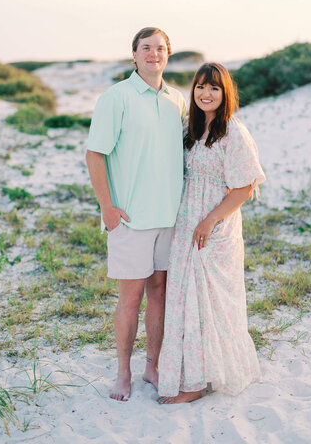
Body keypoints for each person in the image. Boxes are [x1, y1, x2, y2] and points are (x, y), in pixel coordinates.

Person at [86, 27, 186, 402]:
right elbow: (95, 154)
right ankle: (123, 373)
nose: (153, 54)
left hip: (169, 217)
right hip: (129, 219)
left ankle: (153, 366)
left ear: (168, 55)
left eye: (160, 48)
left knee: (159, 294)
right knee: (130, 300)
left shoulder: (177, 99)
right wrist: (107, 208)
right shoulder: (117, 98)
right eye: (146, 48)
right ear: (134, 55)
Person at [157, 62, 265, 404]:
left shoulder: (233, 131)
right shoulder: (189, 129)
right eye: (201, 86)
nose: (206, 93)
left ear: (225, 93)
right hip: (186, 221)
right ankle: (187, 373)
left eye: (214, 88)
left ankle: (196, 384)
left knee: (208, 301)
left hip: (214, 227)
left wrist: (209, 221)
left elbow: (244, 187)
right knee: (184, 299)